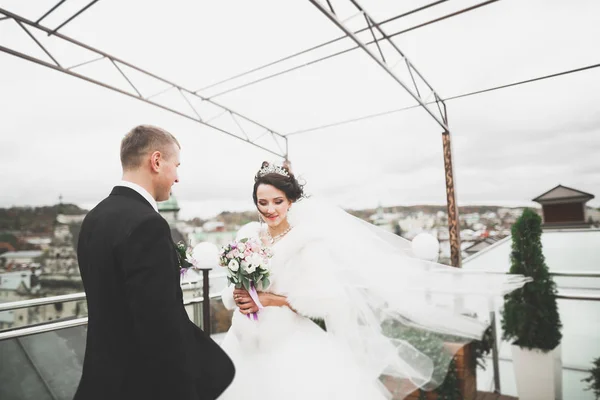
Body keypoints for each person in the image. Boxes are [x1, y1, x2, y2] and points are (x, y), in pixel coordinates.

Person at [217, 161, 531, 399]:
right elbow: (233, 285)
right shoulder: (248, 237)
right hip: (244, 339)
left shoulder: (307, 242)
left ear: (290, 202)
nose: (270, 209)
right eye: (263, 202)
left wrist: (269, 300)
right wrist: (238, 294)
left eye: (277, 201)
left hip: (287, 341)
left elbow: (324, 300)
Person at [75, 125, 234, 400]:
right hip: (142, 385)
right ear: (157, 161)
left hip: (100, 379)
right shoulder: (148, 225)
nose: (177, 178)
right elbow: (161, 329)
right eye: (176, 165)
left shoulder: (93, 218)